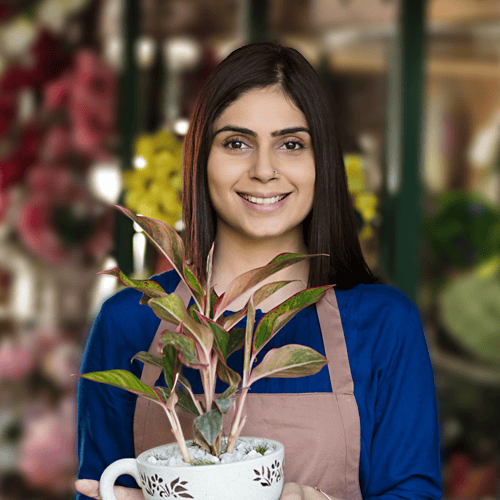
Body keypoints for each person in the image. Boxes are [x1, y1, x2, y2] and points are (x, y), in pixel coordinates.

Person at [75, 42, 442, 500]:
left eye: (291, 144)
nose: (264, 170)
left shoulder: (383, 324)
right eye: (236, 143)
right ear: (201, 159)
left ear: (321, 163)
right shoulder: (129, 321)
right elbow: (99, 489)